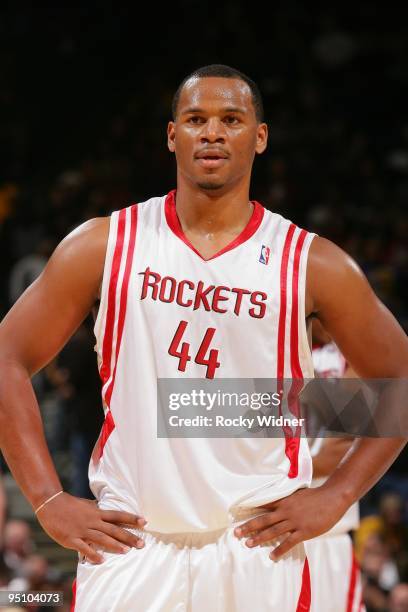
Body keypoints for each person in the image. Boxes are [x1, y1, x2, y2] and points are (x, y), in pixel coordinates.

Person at [0, 64, 407, 611]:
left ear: (259, 138)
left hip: (256, 548)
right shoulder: (105, 244)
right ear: (172, 135)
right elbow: (6, 355)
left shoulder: (311, 263)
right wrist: (47, 500)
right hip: (133, 544)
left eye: (231, 119)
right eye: (196, 119)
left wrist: (337, 494)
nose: (212, 132)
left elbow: (399, 377)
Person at [305, 320, 364, 611]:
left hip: (327, 531)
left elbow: (345, 443)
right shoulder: (273, 341)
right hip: (271, 516)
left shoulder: (353, 353)